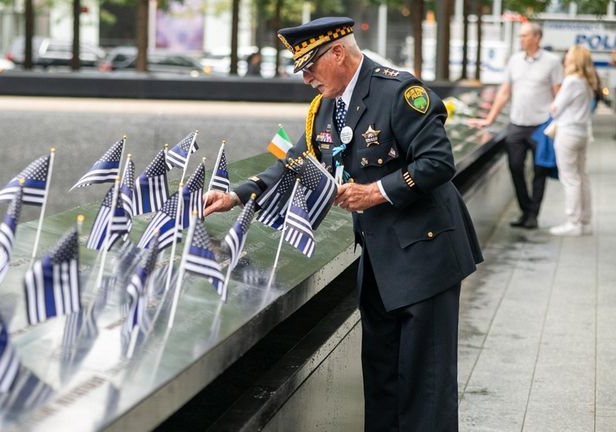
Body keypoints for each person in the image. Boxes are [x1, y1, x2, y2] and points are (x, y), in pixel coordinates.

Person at [204, 17, 483, 431]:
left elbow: (438, 162)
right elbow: (295, 163)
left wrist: (376, 192)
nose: (306, 78)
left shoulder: (400, 93)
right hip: (379, 260)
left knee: (425, 385)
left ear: (338, 51)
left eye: (309, 65)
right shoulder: (326, 106)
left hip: (426, 256)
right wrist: (237, 195)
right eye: (300, 69)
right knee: (382, 377)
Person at [471, 22, 563, 229]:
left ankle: (532, 215)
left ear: (537, 38)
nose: (521, 39)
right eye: (520, 36)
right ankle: (525, 209)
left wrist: (559, 122)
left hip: (542, 126)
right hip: (517, 124)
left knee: (540, 171)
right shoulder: (514, 61)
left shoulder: (552, 62)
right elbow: (504, 92)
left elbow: (559, 94)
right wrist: (490, 119)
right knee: (514, 167)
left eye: (525, 36)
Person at [548, 45, 597, 236]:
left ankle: (573, 221)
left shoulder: (571, 81)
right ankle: (585, 220)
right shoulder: (586, 81)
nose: (565, 58)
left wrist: (553, 104)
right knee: (582, 176)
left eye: (568, 55)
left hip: (568, 133)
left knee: (570, 178)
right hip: (583, 133)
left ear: (574, 59)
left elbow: (556, 108)